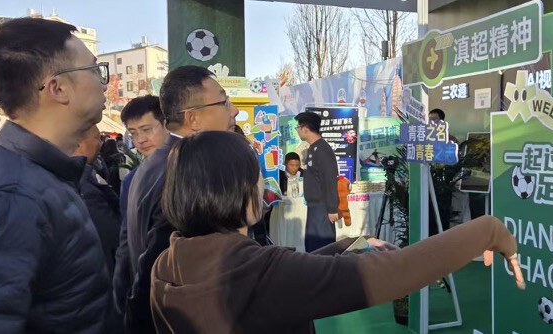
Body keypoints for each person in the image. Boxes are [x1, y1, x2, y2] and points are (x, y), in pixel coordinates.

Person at [151, 131, 525, 334]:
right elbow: (399, 271)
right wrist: (490, 229)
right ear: (237, 191)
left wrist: (348, 244)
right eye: (256, 179)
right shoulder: (262, 274)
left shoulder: (166, 264)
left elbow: (284, 278)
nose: (262, 188)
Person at [0, 17, 113, 332]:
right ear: (58, 88)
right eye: (95, 70)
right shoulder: (13, 195)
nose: (104, 82)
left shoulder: (40, 174)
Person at [113, 65, 238, 333]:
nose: (234, 111)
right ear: (193, 119)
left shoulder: (153, 165)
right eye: (224, 102)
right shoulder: (185, 171)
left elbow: (126, 253)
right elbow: (159, 256)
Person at [73, 124, 122, 279]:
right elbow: (109, 235)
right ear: (79, 143)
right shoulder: (84, 186)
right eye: (97, 138)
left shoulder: (83, 176)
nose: (100, 143)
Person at [118, 95, 169, 219]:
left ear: (167, 125)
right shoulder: (131, 182)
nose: (140, 140)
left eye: (146, 130)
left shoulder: (191, 167)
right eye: (133, 133)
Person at [295, 110, 340, 252]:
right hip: (314, 206)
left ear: (305, 128)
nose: (297, 131)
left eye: (298, 127)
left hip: (322, 207)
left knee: (322, 249)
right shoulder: (313, 148)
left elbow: (330, 179)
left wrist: (332, 208)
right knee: (312, 247)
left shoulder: (322, 150)